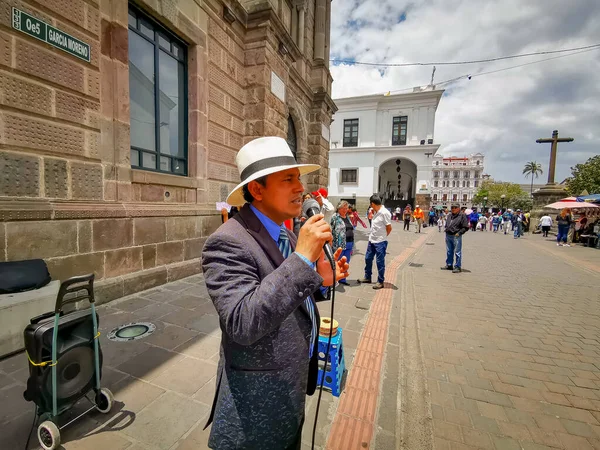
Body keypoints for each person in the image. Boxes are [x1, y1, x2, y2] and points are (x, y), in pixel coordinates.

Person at [201, 137, 349, 449]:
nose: (301, 188)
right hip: (256, 412)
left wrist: (318, 280)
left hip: (290, 395)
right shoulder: (227, 241)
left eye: (299, 178)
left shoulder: (286, 231)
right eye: (288, 179)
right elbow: (242, 322)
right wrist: (302, 259)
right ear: (257, 189)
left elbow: (287, 297)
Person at [358, 194, 392, 290]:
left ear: (372, 203)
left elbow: (389, 228)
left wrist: (383, 237)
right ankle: (367, 276)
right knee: (368, 258)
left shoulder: (384, 213)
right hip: (371, 240)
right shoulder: (375, 211)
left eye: (370, 204)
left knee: (379, 262)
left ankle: (380, 281)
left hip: (380, 242)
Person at [441, 203, 469, 273]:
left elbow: (465, 227)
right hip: (448, 235)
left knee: (457, 252)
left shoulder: (462, 215)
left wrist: (459, 233)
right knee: (449, 251)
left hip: (456, 236)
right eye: (452, 207)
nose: (453, 209)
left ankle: (457, 266)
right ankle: (449, 264)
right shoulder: (450, 215)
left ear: (458, 208)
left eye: (455, 207)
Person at [331, 201, 354, 285]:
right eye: (343, 208)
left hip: (349, 243)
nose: (345, 210)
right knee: (339, 261)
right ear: (338, 208)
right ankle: (336, 278)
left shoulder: (347, 217)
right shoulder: (335, 217)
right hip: (339, 244)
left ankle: (343, 279)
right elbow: (331, 229)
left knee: (346, 262)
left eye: (346, 208)